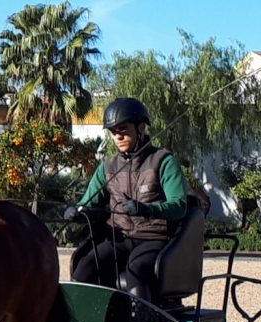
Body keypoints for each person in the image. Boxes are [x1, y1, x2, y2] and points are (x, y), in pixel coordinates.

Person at [66, 97, 188, 300]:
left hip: (153, 239)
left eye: (123, 129)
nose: (118, 136)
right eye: (113, 132)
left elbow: (180, 206)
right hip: (119, 238)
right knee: (84, 266)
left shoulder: (163, 161)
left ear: (140, 128)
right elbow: (88, 203)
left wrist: (147, 209)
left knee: (136, 269)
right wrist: (76, 212)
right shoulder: (107, 167)